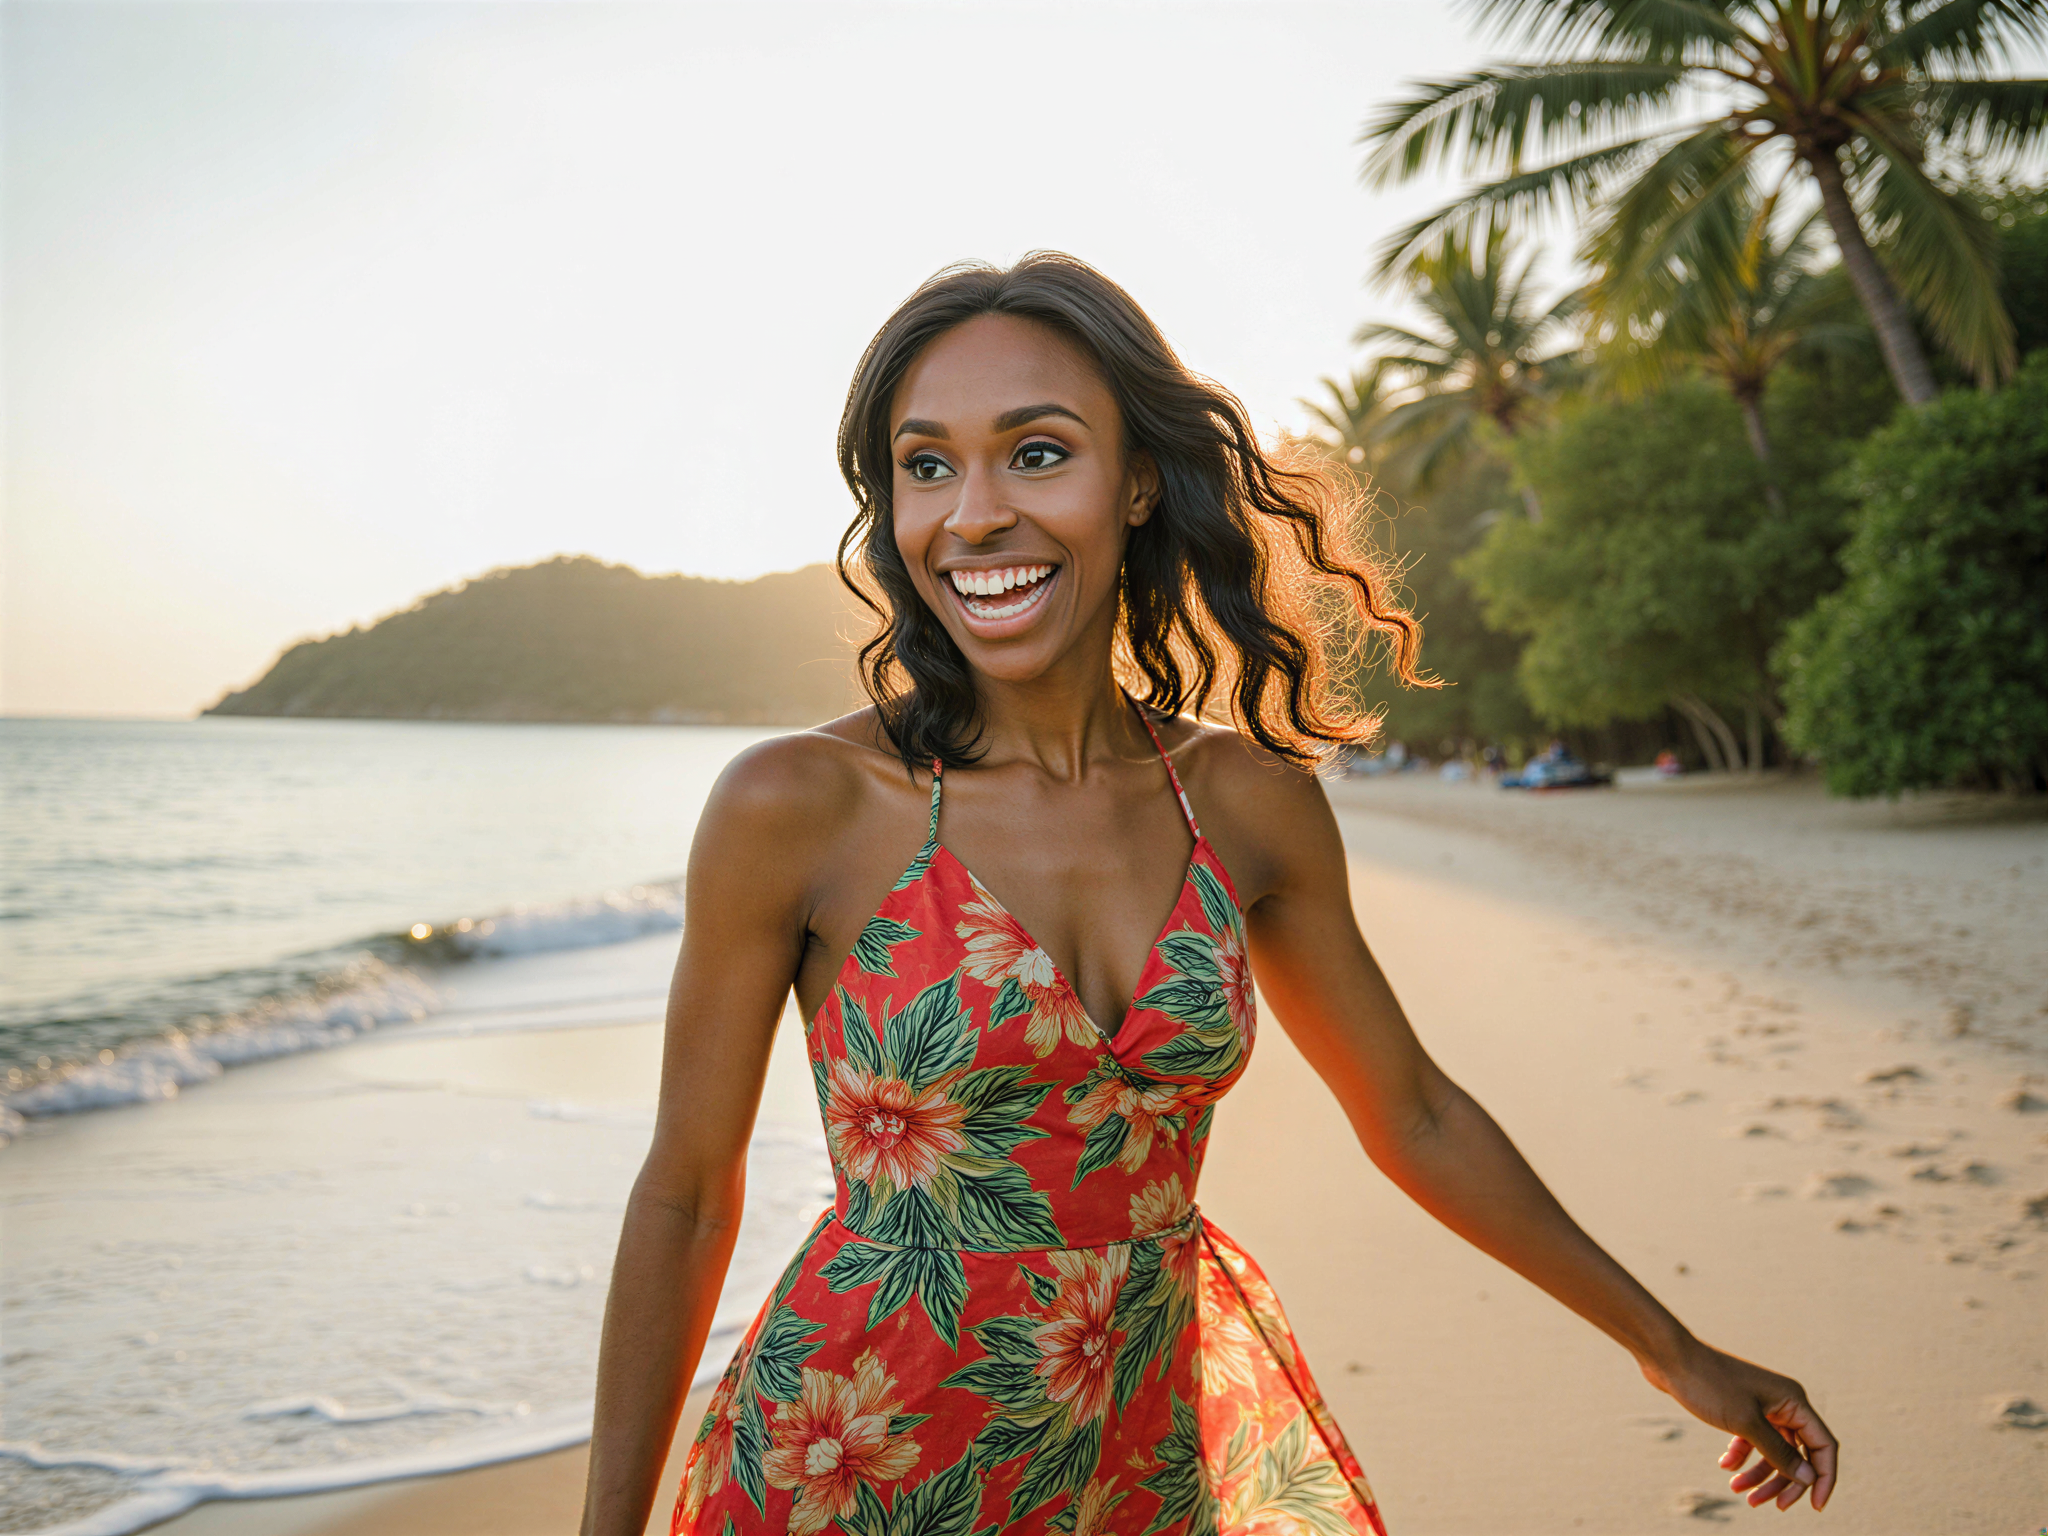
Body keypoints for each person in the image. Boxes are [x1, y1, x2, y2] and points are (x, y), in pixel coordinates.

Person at [579, 254, 1837, 1536]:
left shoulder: (1239, 801)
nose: (970, 516)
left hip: (1135, 1458)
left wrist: (1669, 1349)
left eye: (1035, 453)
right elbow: (685, 1194)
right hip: (849, 1464)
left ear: (1134, 482)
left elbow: (1413, 1115)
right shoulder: (803, 803)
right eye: (925, 465)